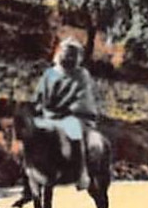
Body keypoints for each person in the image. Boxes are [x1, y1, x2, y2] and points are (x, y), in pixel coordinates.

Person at [33, 39, 101, 190]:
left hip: (76, 115)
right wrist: (38, 109)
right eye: (65, 53)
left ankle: (81, 173)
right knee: (32, 134)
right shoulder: (50, 73)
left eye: (72, 54)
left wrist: (69, 110)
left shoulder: (81, 74)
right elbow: (40, 95)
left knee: (73, 129)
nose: (68, 57)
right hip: (51, 115)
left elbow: (82, 97)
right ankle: (30, 178)